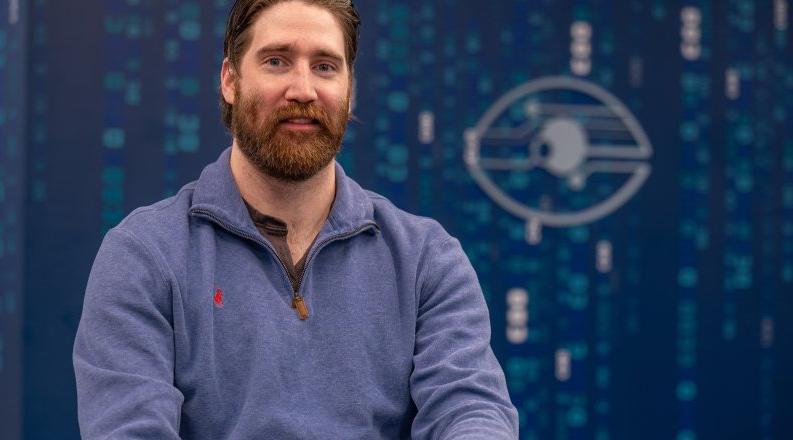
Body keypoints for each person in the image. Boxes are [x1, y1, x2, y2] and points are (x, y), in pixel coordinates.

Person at [73, 0, 519, 438]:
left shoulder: (426, 260)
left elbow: (471, 410)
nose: (303, 89)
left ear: (349, 89)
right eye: (276, 61)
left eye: (325, 66)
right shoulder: (145, 255)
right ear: (230, 80)